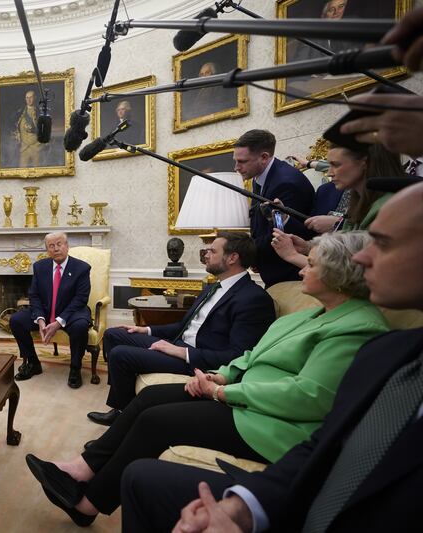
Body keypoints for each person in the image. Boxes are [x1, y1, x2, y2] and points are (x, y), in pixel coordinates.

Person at [25, 231, 388, 526]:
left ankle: (88, 504)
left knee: (155, 420)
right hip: (237, 390)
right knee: (149, 399)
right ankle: (81, 468)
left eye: (310, 264)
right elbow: (251, 355)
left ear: (338, 273)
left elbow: (309, 396)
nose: (301, 271)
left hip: (268, 420)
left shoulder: (357, 326)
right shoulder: (306, 316)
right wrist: (220, 375)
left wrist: (224, 391)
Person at [126, 181, 423, 533]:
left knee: (149, 432)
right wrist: (245, 505)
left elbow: (308, 401)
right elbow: (328, 443)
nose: (364, 257)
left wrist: (222, 390)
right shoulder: (387, 347)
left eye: (384, 243)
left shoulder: (366, 331)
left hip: (261, 418)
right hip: (251, 409)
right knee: (143, 457)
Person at [88, 233, 275, 426]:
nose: (206, 255)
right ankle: (121, 400)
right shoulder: (214, 287)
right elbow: (183, 326)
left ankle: (121, 416)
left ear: (232, 258)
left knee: (120, 354)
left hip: (195, 360)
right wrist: (146, 330)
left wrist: (181, 352)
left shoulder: (253, 298)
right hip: (178, 344)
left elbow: (237, 356)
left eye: (212, 251)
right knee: (113, 335)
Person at [272, 143, 404, 269]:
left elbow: (355, 271)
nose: (329, 173)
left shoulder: (388, 209)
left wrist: (292, 256)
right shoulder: (358, 200)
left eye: (335, 165)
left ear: (364, 163)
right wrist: (308, 247)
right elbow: (348, 248)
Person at [233, 129, 315, 287]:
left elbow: (282, 233)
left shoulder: (286, 182)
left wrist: (249, 254)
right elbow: (259, 223)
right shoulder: (259, 177)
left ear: (264, 157)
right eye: (236, 160)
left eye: (242, 161)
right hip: (272, 272)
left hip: (291, 278)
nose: (236, 167)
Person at [10, 232, 91, 388]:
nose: (56, 249)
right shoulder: (40, 267)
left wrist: (59, 322)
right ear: (47, 250)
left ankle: (75, 368)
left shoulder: (81, 268)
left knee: (81, 326)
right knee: (17, 320)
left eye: (59, 244)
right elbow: (34, 296)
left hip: (72, 312)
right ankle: (33, 363)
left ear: (67, 246)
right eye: (51, 246)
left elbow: (80, 299)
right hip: (47, 312)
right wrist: (40, 319)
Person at [11, 90, 42, 168]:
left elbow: (45, 129)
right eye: (27, 98)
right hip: (23, 147)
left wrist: (33, 130)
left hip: (37, 147)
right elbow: (13, 125)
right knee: (22, 170)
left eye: (31, 97)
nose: (29, 100)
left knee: (38, 170)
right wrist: (16, 134)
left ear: (35, 98)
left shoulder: (40, 112)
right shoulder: (20, 112)